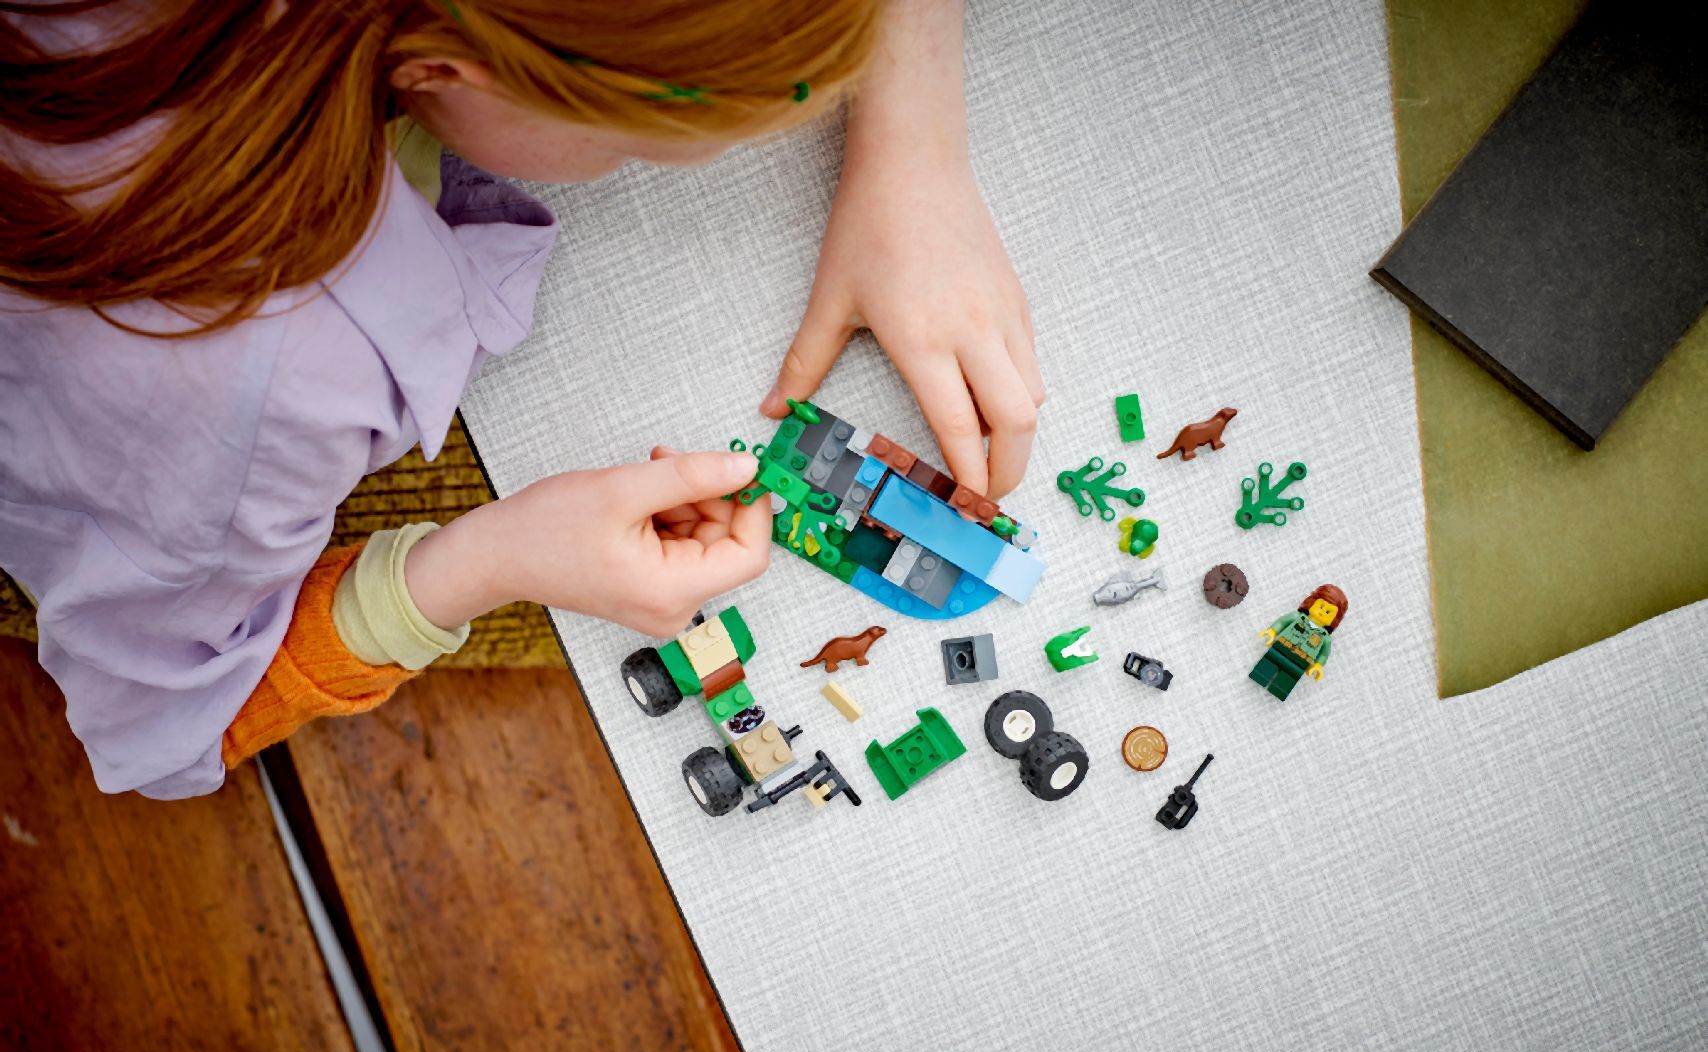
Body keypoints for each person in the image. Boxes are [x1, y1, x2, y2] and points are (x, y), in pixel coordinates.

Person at [0, 0, 1043, 798]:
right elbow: (163, 733)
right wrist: (489, 561)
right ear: (445, 72)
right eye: (640, 142)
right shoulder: (269, 379)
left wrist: (914, 149)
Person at [1249, 584, 1348, 701]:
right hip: (1279, 649)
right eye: (1321, 607)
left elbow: (1324, 654)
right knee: (1267, 665)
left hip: (1300, 662)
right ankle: (1260, 676)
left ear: (1334, 619)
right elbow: (1281, 622)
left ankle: (1279, 689)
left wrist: (1318, 665)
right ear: (1312, 603)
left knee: (1288, 679)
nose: (1322, 612)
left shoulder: (1325, 638)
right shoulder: (1297, 617)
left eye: (1328, 612)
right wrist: (1271, 631)